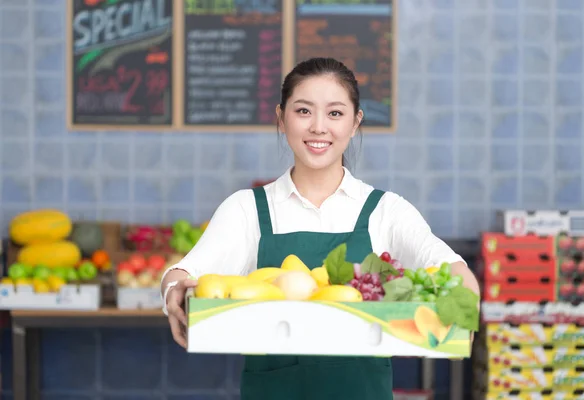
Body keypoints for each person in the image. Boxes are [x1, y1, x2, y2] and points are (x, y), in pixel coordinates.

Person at [161, 57, 480, 400]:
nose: (318, 127)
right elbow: (184, 272)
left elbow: (455, 272)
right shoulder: (248, 209)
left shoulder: (386, 212)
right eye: (303, 111)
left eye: (335, 113)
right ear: (281, 119)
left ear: (355, 122)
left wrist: (461, 308)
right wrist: (173, 291)